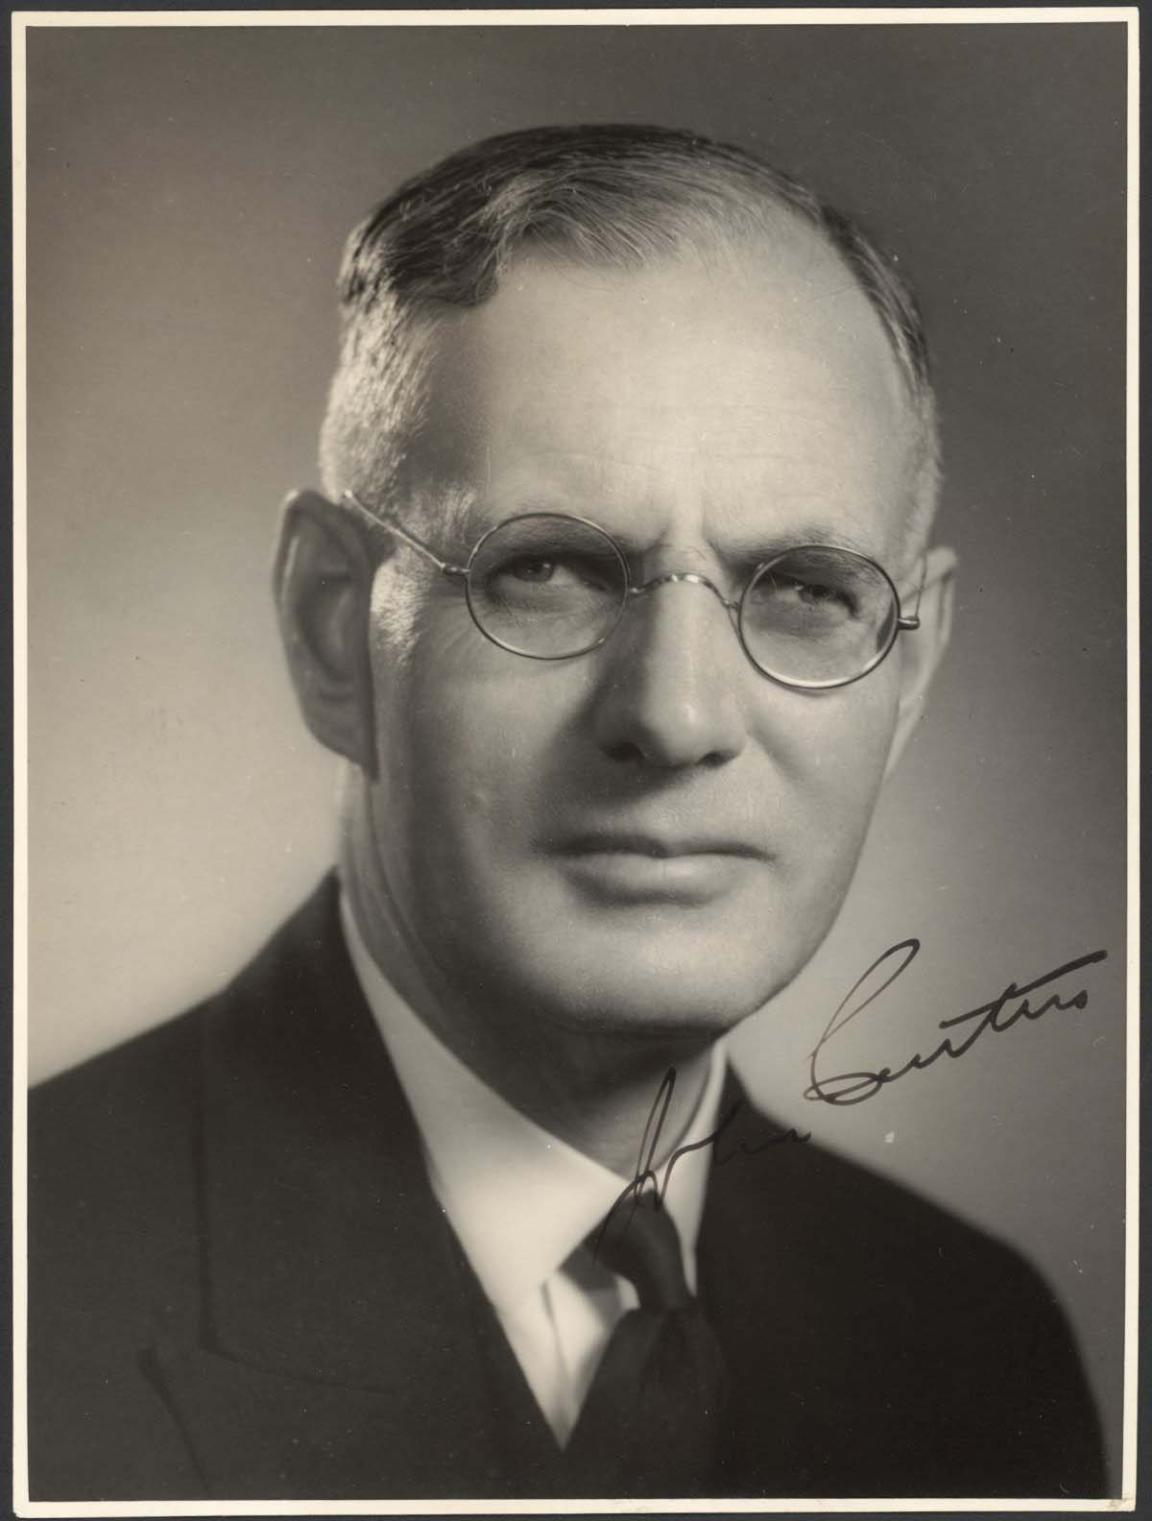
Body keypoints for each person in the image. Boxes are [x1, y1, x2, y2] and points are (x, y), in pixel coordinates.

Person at [28, 123, 1107, 1502]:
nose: (676, 716)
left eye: (802, 589)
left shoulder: (974, 1341)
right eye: (549, 571)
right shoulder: (34, 1277)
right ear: (333, 631)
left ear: (906, 673)